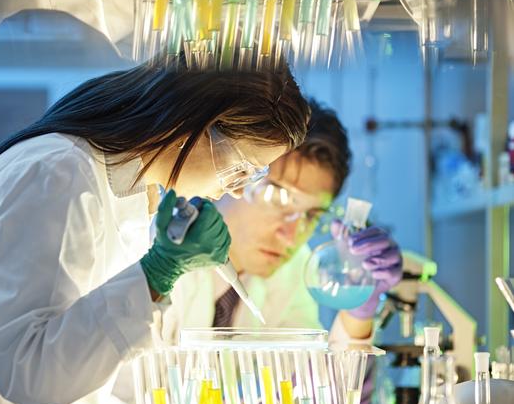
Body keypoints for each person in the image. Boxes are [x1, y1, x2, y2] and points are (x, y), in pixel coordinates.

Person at [0, 55, 311, 404]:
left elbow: (93, 375)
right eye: (242, 168)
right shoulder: (57, 170)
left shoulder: (136, 195)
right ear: (194, 126)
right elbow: (30, 371)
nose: (237, 188)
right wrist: (158, 273)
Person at [166, 99, 403, 342]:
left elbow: (311, 376)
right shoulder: (158, 249)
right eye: (278, 196)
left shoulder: (292, 271)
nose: (290, 236)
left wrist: (358, 314)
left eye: (312, 215)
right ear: (233, 176)